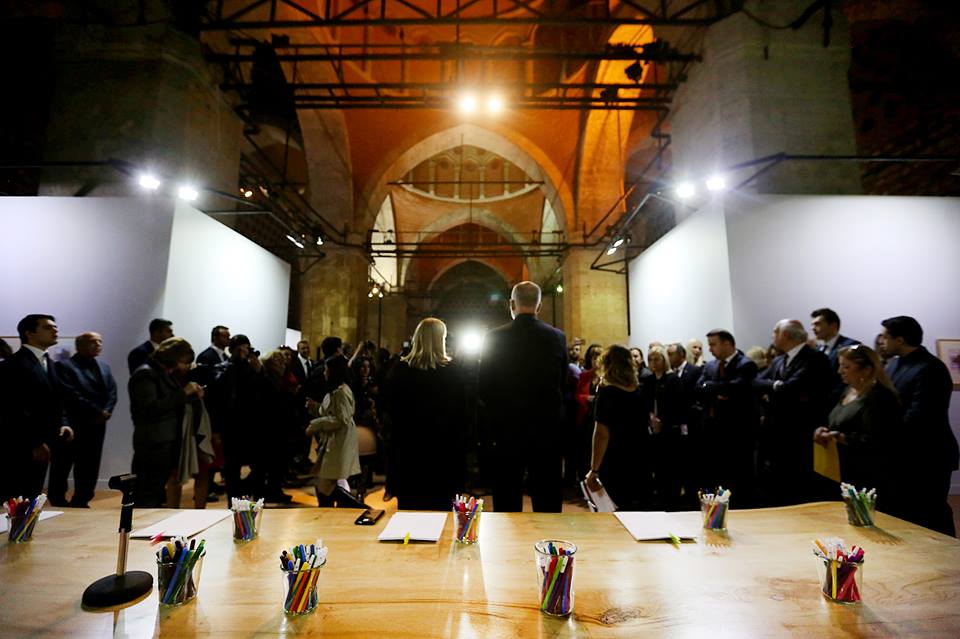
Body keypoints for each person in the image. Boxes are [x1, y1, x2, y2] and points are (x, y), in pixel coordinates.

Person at [479, 281, 568, 513]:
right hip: (546, 428)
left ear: (512, 304)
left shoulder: (494, 337)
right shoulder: (556, 337)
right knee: (547, 497)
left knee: (506, 497)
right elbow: (562, 382)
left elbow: (484, 386)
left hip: (507, 428)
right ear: (540, 306)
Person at [879, 316, 958, 536]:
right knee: (906, 512)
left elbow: (921, 415)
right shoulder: (894, 364)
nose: (881, 341)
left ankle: (948, 552)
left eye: (885, 337)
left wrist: (884, 432)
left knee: (931, 511)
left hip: (929, 453)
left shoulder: (931, 368)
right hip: (904, 452)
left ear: (900, 339)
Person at [382, 318, 465, 510]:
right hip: (442, 454)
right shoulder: (453, 372)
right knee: (442, 513)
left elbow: (390, 410)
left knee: (409, 513)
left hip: (408, 453)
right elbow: (462, 416)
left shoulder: (400, 370)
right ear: (441, 339)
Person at [753, 320, 833, 506]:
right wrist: (776, 385)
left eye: (775, 332)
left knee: (798, 483)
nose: (772, 336)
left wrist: (775, 388)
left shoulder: (814, 358)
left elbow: (791, 388)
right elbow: (756, 382)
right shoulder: (779, 360)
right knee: (778, 483)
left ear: (786, 335)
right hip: (777, 431)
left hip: (799, 431)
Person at [0, 314, 73, 501]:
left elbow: (57, 400)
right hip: (21, 445)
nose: (55, 330)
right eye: (48, 327)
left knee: (32, 496)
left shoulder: (50, 363)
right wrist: (34, 443)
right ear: (29, 333)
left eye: (55, 327)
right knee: (15, 498)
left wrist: (63, 422)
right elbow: (11, 409)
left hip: (45, 442)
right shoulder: (13, 365)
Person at [814, 345, 901, 493]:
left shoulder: (878, 397)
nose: (840, 371)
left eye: (846, 367)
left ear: (866, 370)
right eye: (840, 366)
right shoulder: (848, 391)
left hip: (866, 471)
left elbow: (877, 440)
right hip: (840, 467)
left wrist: (840, 437)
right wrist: (823, 430)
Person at [129, 337, 204, 507]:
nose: (182, 366)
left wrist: (191, 396)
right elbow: (150, 408)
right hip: (152, 444)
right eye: (182, 361)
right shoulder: (145, 373)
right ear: (173, 356)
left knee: (156, 494)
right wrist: (184, 393)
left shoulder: (162, 373)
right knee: (146, 495)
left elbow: (171, 402)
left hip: (165, 442)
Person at [51, 332, 117, 507]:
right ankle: (57, 499)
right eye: (93, 341)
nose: (98, 344)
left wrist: (108, 410)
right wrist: (98, 411)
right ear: (79, 345)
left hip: (97, 425)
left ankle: (82, 498)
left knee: (90, 464)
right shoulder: (64, 366)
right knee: (63, 463)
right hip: (73, 423)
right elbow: (70, 394)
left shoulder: (104, 366)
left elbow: (112, 391)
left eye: (100, 341)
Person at [584, 345, 654, 510]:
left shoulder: (607, 393)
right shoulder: (639, 391)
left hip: (615, 458)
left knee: (613, 509)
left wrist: (594, 469)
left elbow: (602, 433)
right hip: (639, 455)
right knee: (638, 508)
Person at [697, 329, 759, 505]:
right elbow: (699, 387)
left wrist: (713, 388)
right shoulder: (711, 365)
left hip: (737, 431)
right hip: (713, 430)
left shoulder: (746, 365)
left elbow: (735, 389)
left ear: (726, 344)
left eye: (713, 344)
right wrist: (718, 390)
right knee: (717, 477)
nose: (710, 349)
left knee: (738, 478)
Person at [306, 355, 365, 508]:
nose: (324, 372)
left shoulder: (340, 392)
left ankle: (356, 508)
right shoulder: (335, 391)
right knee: (327, 482)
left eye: (326, 369)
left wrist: (316, 424)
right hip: (335, 441)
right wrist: (315, 407)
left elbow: (341, 419)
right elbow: (332, 412)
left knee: (326, 482)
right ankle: (337, 508)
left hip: (339, 442)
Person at [647, 345, 684, 509]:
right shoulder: (649, 380)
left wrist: (663, 421)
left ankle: (672, 502)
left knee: (671, 469)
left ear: (664, 360)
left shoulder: (673, 380)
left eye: (657, 359)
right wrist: (650, 418)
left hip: (670, 431)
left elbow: (679, 406)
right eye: (650, 359)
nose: (653, 362)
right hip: (652, 430)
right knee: (657, 468)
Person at [667, 342, 703, 505]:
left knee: (692, 463)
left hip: (692, 424)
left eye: (671, 354)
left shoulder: (694, 371)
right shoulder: (670, 374)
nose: (668, 357)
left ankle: (692, 497)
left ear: (681, 355)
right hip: (677, 425)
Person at [810, 308, 860, 400]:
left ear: (833, 326)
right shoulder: (818, 349)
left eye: (817, 324)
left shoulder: (850, 345)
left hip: (839, 399)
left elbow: (850, 378)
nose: (813, 328)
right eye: (812, 324)